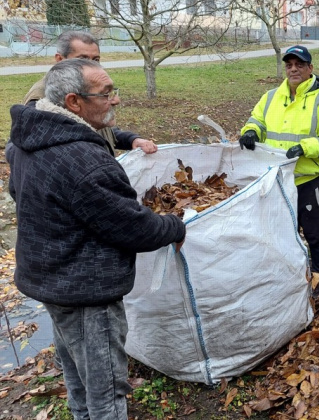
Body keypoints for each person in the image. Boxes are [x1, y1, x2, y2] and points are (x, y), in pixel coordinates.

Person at [7, 58, 186, 418]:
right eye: (106, 94)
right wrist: (175, 226)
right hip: (86, 291)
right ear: (74, 102)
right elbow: (134, 227)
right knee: (106, 391)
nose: (115, 100)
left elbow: (17, 193)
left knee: (77, 375)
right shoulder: (84, 161)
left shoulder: (26, 142)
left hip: (49, 281)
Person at [238, 45, 319, 297]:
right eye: (289, 65)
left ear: (310, 68)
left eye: (299, 64)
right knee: (279, 232)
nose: (294, 69)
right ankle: (285, 275)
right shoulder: (271, 97)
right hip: (276, 180)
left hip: (308, 180)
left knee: (316, 234)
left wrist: (305, 147)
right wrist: (250, 132)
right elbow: (256, 121)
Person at [23, 30, 157, 155]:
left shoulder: (91, 86)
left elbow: (98, 128)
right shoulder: (41, 97)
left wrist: (131, 140)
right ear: (59, 59)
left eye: (96, 60)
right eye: (83, 59)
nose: (93, 65)